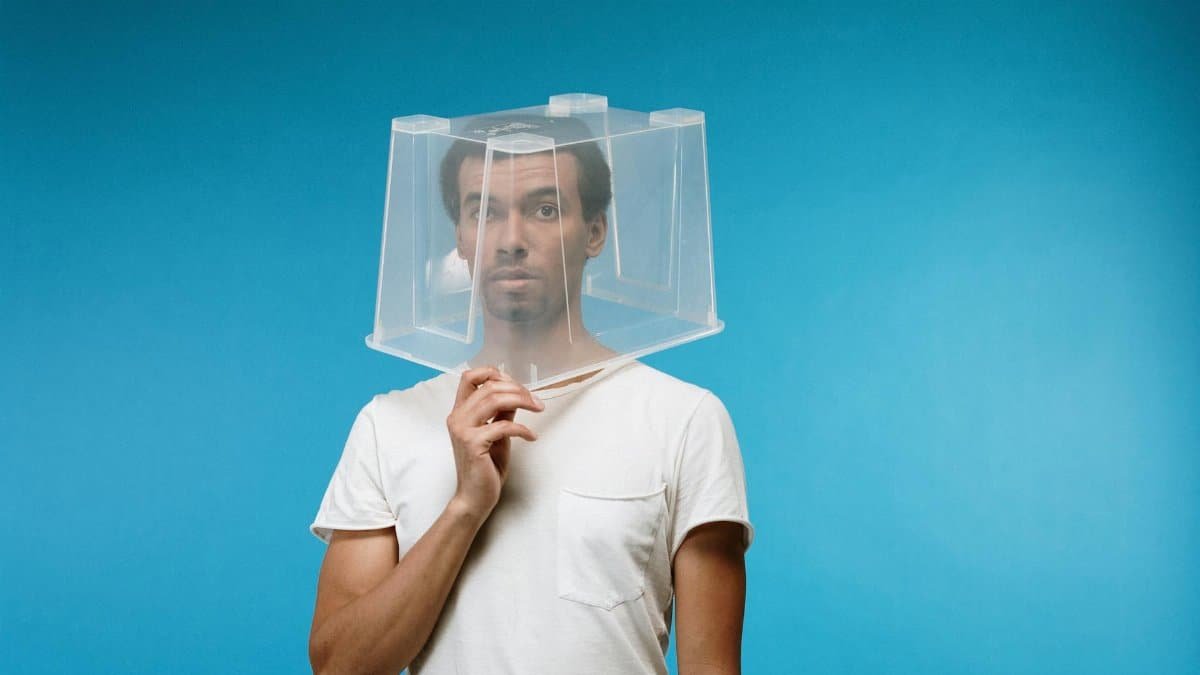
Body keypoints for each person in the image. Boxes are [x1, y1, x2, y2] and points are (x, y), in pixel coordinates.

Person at [307, 114, 753, 674]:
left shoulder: (684, 420)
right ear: (462, 239)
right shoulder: (388, 424)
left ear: (594, 231)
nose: (511, 240)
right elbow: (338, 667)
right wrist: (465, 507)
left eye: (545, 209)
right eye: (484, 212)